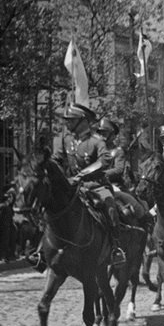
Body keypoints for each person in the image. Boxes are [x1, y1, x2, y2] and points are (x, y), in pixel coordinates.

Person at [45, 102, 125, 268]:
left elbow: (105, 160)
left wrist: (81, 175)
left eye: (70, 120)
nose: (67, 123)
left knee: (110, 206)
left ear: (82, 121)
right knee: (51, 207)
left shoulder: (97, 142)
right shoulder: (66, 140)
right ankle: (42, 250)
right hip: (73, 187)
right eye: (66, 120)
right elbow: (56, 159)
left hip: (96, 186)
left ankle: (115, 248)